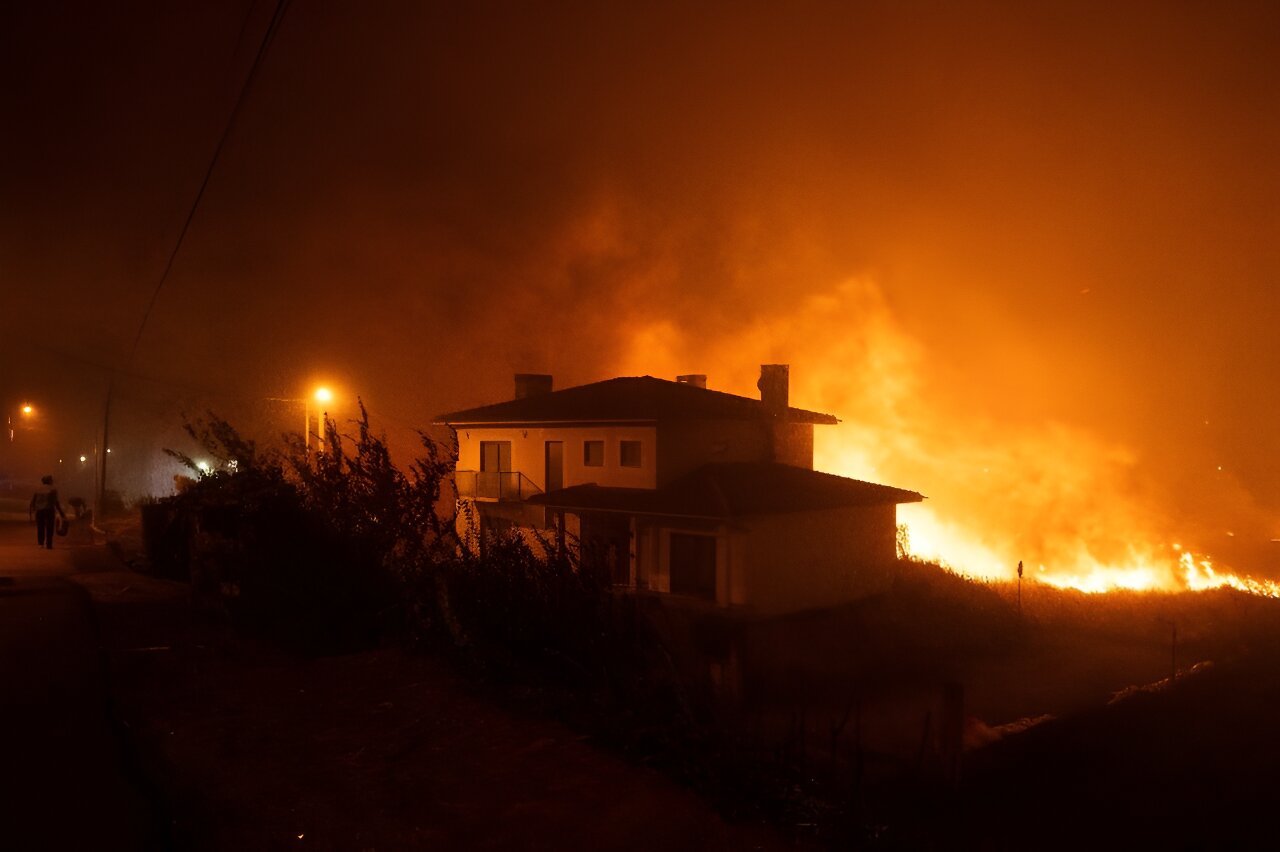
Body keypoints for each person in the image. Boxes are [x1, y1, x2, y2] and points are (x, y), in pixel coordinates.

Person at [29, 475, 66, 550]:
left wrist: (32, 510)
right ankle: (49, 544)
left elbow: (33, 501)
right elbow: (56, 502)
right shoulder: (53, 489)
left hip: (39, 510)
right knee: (49, 527)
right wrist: (61, 513)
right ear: (50, 481)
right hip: (49, 509)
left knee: (40, 527)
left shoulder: (37, 489)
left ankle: (40, 543)